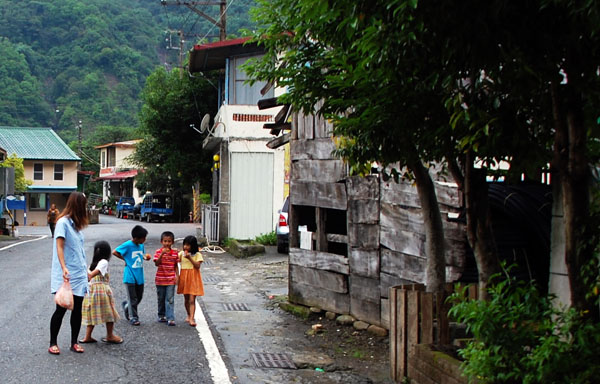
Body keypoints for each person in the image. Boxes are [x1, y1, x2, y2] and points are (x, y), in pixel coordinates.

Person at [49, 192, 89, 355]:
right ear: (78, 205)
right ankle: (53, 342)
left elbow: (79, 251)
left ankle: (74, 342)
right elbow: (59, 246)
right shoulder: (63, 223)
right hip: (66, 274)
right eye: (84, 205)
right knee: (61, 308)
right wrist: (64, 267)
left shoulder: (77, 227)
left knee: (77, 309)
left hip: (79, 274)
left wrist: (85, 270)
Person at [79, 241, 123, 345]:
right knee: (109, 313)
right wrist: (91, 275)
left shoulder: (91, 265)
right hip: (101, 291)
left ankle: (87, 336)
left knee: (92, 313)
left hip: (91, 292)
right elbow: (98, 271)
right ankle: (110, 335)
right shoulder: (104, 262)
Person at [113, 225, 151, 326]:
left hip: (139, 275)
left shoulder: (141, 246)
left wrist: (146, 257)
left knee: (139, 297)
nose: (144, 240)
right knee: (133, 298)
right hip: (129, 276)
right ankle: (133, 317)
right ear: (136, 238)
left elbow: (141, 255)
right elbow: (115, 252)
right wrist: (124, 259)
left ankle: (127, 307)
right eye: (143, 238)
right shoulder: (128, 245)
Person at [153, 231, 179, 326]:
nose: (167, 243)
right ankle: (161, 315)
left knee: (170, 299)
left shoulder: (175, 253)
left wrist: (177, 276)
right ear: (161, 242)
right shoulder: (158, 252)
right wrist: (162, 255)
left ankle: (170, 318)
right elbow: (156, 263)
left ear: (172, 242)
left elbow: (176, 265)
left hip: (171, 279)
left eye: (169, 241)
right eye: (165, 241)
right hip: (160, 279)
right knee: (161, 298)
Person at [177, 235, 204, 327]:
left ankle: (192, 318)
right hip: (184, 277)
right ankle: (188, 314)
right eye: (185, 245)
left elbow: (197, 266)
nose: (186, 247)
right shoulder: (181, 254)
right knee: (186, 299)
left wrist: (190, 258)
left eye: (188, 245)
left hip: (193, 278)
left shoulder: (197, 255)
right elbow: (175, 261)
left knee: (192, 299)